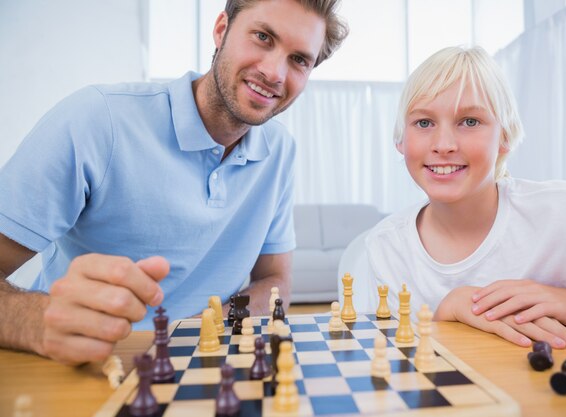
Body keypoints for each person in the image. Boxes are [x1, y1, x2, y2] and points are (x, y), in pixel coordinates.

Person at [0, 0, 348, 365]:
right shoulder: (97, 120)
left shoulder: (279, 151)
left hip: (206, 365)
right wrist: (35, 322)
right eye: (263, 37)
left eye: (299, 60)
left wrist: (207, 326)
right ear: (221, 29)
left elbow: (275, 281)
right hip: (80, 368)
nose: (275, 72)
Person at [364, 46, 566, 349]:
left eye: (470, 121)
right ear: (401, 140)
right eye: (424, 123)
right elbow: (401, 371)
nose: (444, 144)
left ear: (505, 137)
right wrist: (446, 312)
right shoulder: (387, 249)